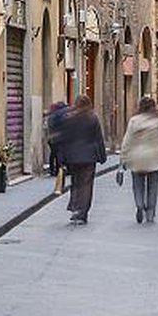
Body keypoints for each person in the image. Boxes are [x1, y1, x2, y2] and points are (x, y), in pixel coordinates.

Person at [118, 96, 158, 224]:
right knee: (153, 187)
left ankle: (139, 204)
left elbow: (127, 140)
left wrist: (123, 158)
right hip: (154, 157)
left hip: (136, 157)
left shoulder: (134, 121)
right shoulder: (157, 122)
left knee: (137, 185)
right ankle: (150, 212)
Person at [58, 95, 106, 224]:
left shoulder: (68, 118)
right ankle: (82, 212)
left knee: (75, 182)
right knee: (86, 185)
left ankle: (75, 208)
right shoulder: (92, 118)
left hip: (72, 156)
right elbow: (98, 138)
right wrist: (102, 156)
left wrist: (61, 158)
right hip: (89, 157)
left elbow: (63, 140)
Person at [45, 101, 68, 194]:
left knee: (53, 154)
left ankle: (53, 169)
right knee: (58, 155)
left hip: (51, 138)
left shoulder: (52, 116)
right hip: (58, 139)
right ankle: (59, 170)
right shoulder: (60, 116)